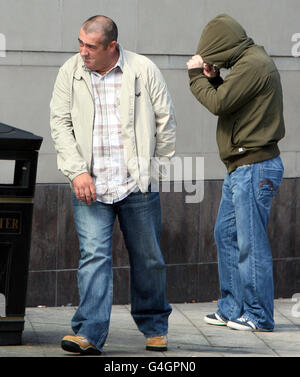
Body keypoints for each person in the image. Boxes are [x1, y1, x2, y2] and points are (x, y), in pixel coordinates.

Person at [50, 15, 176, 355]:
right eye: (80, 43)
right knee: (94, 257)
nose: (83, 51)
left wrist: (155, 171)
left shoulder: (144, 69)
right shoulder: (70, 71)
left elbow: (165, 122)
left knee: (149, 259)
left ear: (111, 47)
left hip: (137, 184)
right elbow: (60, 124)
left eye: (91, 46)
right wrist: (77, 172)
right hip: (90, 185)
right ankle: (89, 332)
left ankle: (154, 327)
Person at [187, 14, 285, 332]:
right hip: (241, 167)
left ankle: (258, 315)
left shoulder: (253, 64)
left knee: (250, 243)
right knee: (225, 235)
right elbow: (233, 102)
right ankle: (232, 308)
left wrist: (195, 77)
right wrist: (214, 77)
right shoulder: (248, 62)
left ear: (224, 45)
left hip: (255, 167)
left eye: (215, 54)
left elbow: (218, 103)